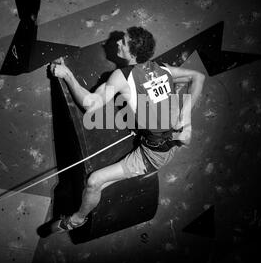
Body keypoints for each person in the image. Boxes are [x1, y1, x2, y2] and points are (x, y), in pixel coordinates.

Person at [48, 26, 205, 232]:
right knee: (98, 186)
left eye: (123, 41)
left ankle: (76, 220)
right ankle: (88, 202)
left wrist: (67, 74)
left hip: (152, 156)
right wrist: (185, 116)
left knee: (94, 182)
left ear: (131, 52)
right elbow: (197, 77)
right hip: (171, 141)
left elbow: (90, 103)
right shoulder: (162, 69)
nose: (116, 43)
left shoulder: (121, 77)